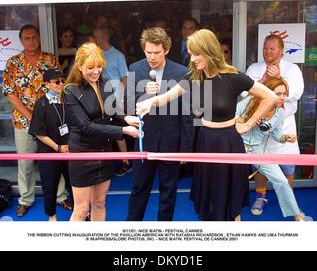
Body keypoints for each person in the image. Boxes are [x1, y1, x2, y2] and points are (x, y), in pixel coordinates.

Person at [136, 29, 277, 221]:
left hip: (228, 143)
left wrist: (249, 123)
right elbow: (165, 98)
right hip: (205, 141)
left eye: (196, 53)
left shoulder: (233, 76)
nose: (192, 58)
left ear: (209, 50)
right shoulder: (193, 78)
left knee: (229, 200)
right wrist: (148, 102)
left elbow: (271, 97)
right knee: (208, 200)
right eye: (191, 53)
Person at [62, 42, 140, 221]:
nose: (96, 71)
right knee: (81, 210)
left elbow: (113, 110)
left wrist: (127, 118)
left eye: (99, 66)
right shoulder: (70, 90)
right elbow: (85, 126)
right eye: (90, 67)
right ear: (79, 66)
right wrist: (123, 130)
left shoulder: (103, 81)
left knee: (99, 202)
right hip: (82, 154)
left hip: (105, 153)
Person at [2, 24, 72, 217]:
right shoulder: (13, 63)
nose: (31, 41)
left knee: (55, 160)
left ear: (39, 38)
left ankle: (60, 196)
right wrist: (31, 116)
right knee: (25, 163)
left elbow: (59, 88)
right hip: (23, 123)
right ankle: (25, 199)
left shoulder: (50, 60)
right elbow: (9, 93)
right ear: (21, 40)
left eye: (34, 37)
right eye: (27, 38)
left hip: (52, 124)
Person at [126, 27, 194, 221]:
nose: (152, 57)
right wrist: (144, 93)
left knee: (168, 191)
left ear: (166, 49)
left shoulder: (182, 72)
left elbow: (187, 113)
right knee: (138, 188)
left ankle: (164, 231)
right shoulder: (135, 68)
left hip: (171, 142)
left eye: (156, 52)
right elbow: (129, 105)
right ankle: (131, 230)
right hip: (143, 140)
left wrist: (186, 149)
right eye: (148, 52)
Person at [236, 78, 313, 221]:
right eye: (278, 93)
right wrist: (244, 121)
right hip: (235, 146)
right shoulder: (249, 101)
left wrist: (286, 138)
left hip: (258, 150)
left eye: (284, 94)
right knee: (229, 180)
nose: (283, 97)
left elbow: (276, 135)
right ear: (268, 92)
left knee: (282, 181)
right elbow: (230, 118)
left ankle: (296, 216)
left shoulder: (280, 113)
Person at [245, 34, 304, 215]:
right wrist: (263, 81)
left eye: (272, 48)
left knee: (287, 168)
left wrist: (280, 79)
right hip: (261, 125)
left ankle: (289, 202)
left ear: (281, 50)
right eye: (265, 48)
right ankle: (261, 197)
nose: (267, 52)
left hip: (284, 125)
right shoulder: (255, 68)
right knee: (261, 165)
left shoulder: (292, 69)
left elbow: (297, 94)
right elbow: (245, 94)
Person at [28, 68, 73, 221]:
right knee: (49, 186)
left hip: (69, 150)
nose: (61, 84)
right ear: (47, 84)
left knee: (75, 184)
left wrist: (70, 145)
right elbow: (39, 133)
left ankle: (81, 211)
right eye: (57, 82)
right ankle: (51, 217)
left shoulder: (68, 100)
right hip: (49, 151)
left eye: (62, 81)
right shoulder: (41, 104)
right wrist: (57, 148)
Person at [92, 27, 131, 176]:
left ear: (102, 38)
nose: (94, 41)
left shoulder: (117, 55)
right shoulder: (95, 54)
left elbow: (125, 78)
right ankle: (103, 163)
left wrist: (121, 99)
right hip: (99, 99)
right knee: (102, 130)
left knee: (119, 131)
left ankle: (125, 162)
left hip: (115, 99)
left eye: (95, 38)